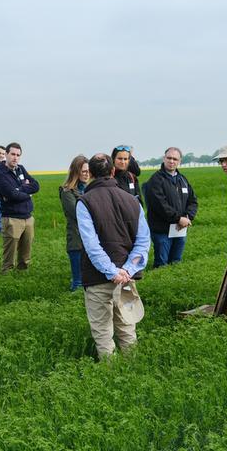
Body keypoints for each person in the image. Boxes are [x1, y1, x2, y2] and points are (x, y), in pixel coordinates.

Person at [76, 153, 150, 359]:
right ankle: (133, 371)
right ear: (112, 171)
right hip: (126, 278)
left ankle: (109, 375)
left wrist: (112, 271)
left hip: (98, 277)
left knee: (102, 331)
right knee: (127, 327)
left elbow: (91, 245)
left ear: (90, 173)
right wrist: (127, 270)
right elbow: (143, 241)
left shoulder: (85, 202)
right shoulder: (132, 201)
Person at [144, 147, 198, 268]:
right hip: (162, 230)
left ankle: (174, 283)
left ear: (179, 161)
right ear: (164, 159)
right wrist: (178, 218)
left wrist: (188, 217)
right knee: (162, 263)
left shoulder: (182, 180)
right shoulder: (156, 180)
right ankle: (159, 284)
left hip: (180, 230)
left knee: (176, 262)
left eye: (175, 159)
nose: (171, 161)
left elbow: (193, 201)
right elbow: (160, 205)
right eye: (169, 158)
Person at [0, 142, 40, 273]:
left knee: (26, 252)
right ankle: (6, 275)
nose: (15, 157)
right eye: (12, 154)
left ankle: (22, 273)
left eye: (18, 155)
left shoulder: (21, 168)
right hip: (11, 218)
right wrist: (27, 192)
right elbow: (11, 194)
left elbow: (36, 185)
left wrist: (20, 189)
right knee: (10, 253)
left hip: (28, 217)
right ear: (6, 155)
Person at [59, 155, 89, 291]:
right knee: (78, 282)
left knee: (90, 281)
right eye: (83, 171)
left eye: (89, 171)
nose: (87, 174)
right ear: (75, 172)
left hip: (90, 238)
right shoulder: (67, 191)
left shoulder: (89, 188)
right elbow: (77, 213)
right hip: (76, 239)